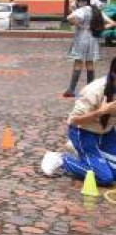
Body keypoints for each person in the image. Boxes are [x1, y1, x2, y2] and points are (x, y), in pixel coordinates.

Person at [41, 57, 116, 186]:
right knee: (105, 178)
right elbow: (74, 120)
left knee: (112, 173)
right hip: (83, 132)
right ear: (114, 74)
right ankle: (62, 160)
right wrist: (101, 111)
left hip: (106, 132)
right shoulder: (94, 90)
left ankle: (86, 155)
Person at [63, 0, 106, 97]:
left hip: (81, 38)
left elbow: (69, 17)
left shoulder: (82, 10)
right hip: (93, 39)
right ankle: (90, 90)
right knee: (90, 63)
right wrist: (98, 28)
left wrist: (78, 24)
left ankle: (71, 89)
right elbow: (111, 23)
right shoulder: (96, 11)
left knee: (78, 63)